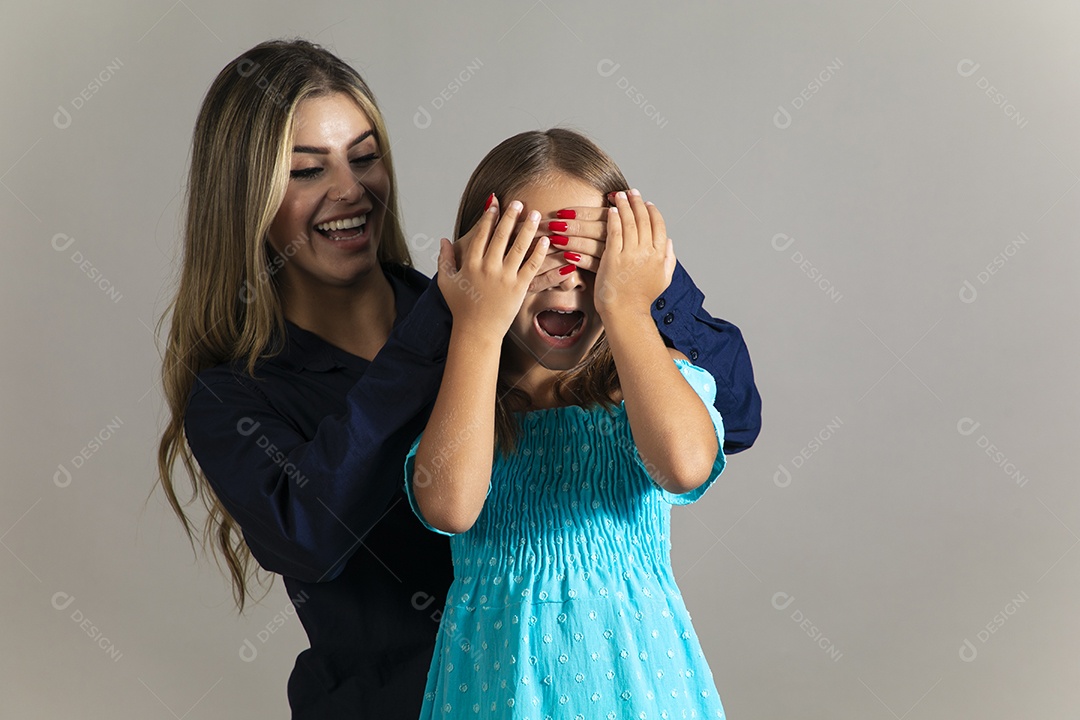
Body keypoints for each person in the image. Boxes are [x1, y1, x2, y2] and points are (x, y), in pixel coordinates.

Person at [156, 39, 760, 719]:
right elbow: (310, 533)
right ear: (247, 196)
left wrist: (638, 272)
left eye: (364, 158)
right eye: (305, 171)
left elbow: (731, 418)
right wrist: (461, 324)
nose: (349, 190)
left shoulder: (509, 323)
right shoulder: (237, 394)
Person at [407, 128, 729, 718]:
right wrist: (476, 325)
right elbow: (450, 508)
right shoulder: (462, 396)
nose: (567, 274)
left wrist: (629, 307)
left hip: (641, 685)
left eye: (592, 252)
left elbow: (684, 468)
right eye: (534, 249)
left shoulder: (651, 380)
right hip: (499, 693)